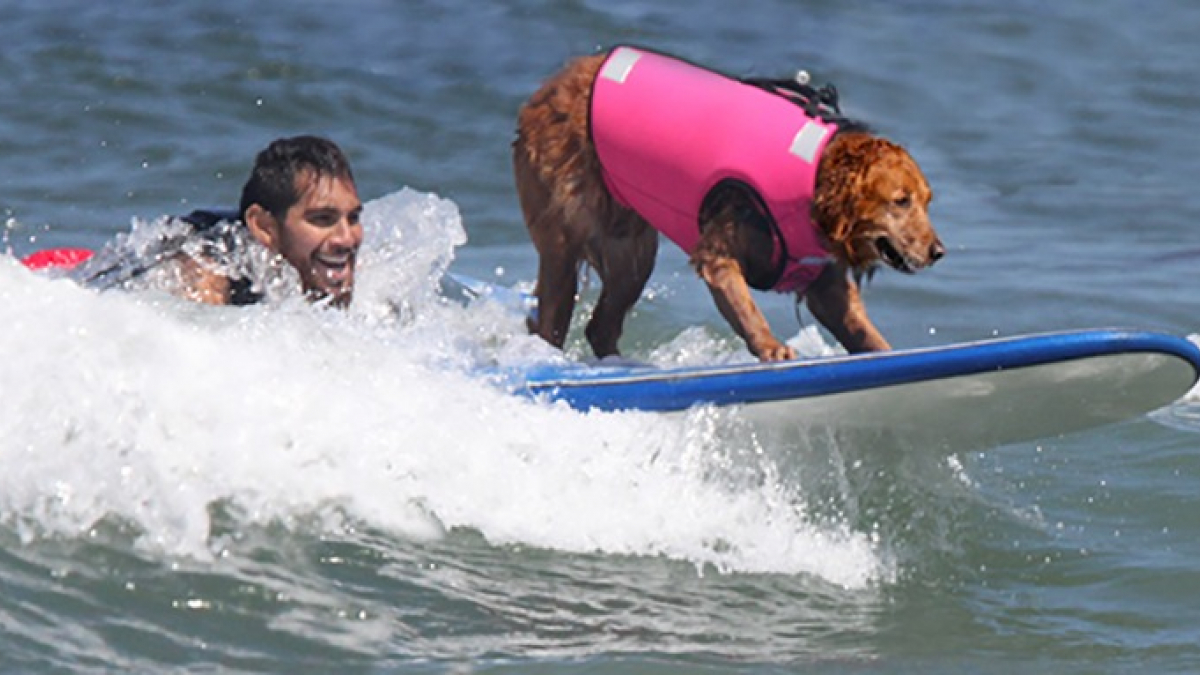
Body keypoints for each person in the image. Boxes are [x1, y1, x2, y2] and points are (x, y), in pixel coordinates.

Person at [77, 135, 364, 308]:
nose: (346, 238)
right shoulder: (207, 272)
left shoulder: (343, 270)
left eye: (352, 218)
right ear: (264, 227)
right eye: (322, 219)